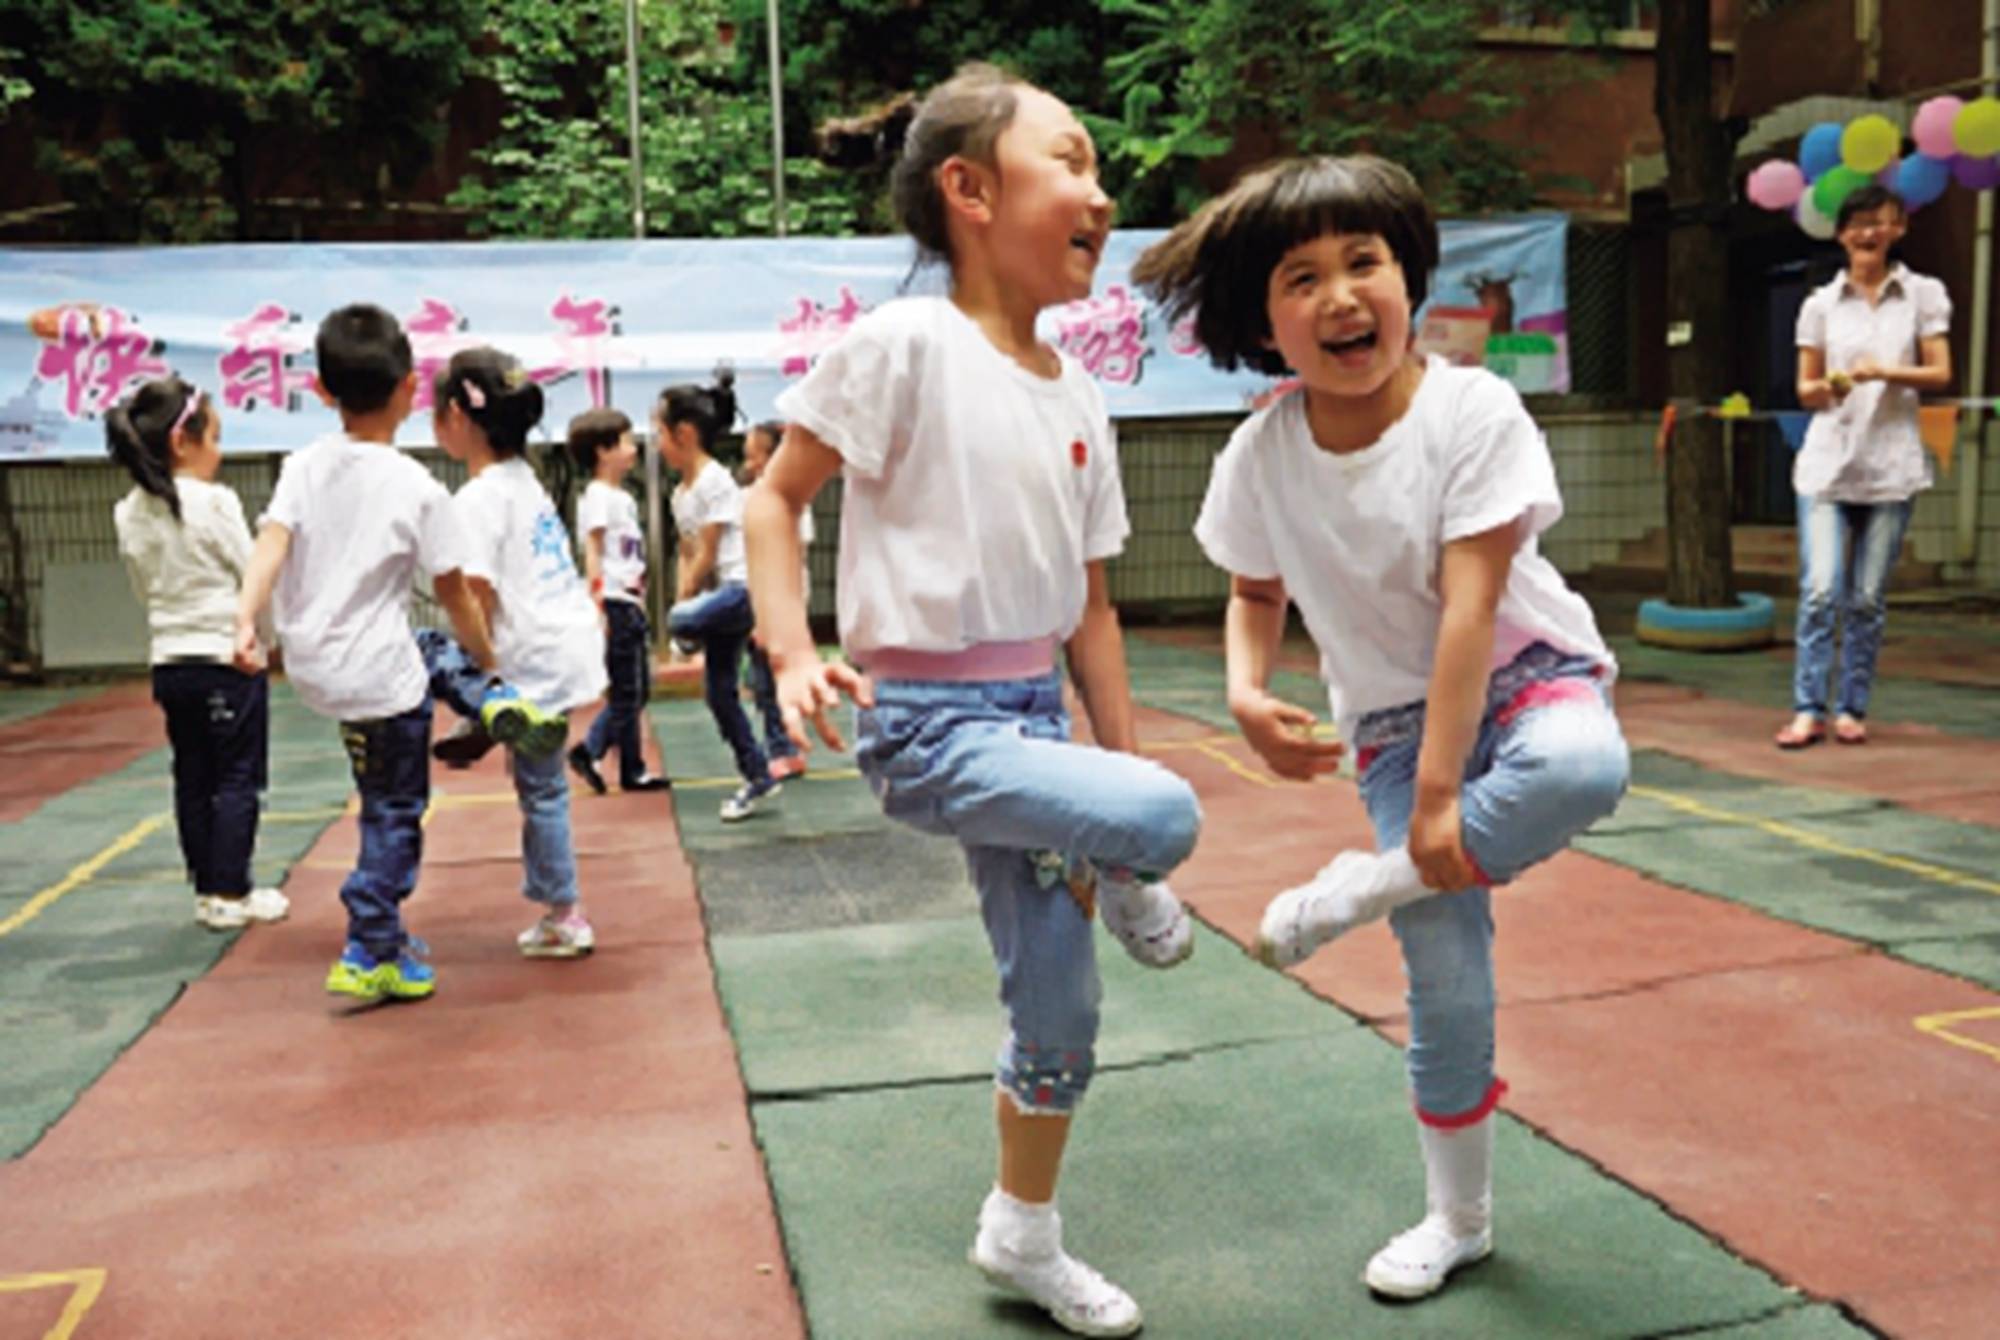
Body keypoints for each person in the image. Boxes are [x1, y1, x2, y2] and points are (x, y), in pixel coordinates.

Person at [745, 63, 1202, 1339]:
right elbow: (773, 498)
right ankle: (1122, 854)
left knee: (1060, 1010)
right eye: (1069, 161)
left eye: (1098, 171)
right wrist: (789, 653)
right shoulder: (903, 343)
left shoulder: (1075, 393)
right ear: (967, 189)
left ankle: (1021, 1232)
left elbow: (1091, 612)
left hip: (1035, 725)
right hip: (931, 729)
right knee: (1161, 819)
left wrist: (1108, 763)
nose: (1099, 194)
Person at [1133, 155, 1629, 1300]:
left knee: (1583, 761)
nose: (1342, 295)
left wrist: (1437, 807)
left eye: (1364, 262)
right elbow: (1252, 591)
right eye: (1301, 278)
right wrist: (1247, 695)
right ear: (1262, 320)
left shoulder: (1471, 408)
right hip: (1393, 728)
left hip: (1518, 672)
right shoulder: (1260, 453)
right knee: (1446, 974)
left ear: (1408, 277)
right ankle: (1459, 1216)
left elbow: (1469, 608)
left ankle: (1359, 888)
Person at [234, 305, 565, 1003]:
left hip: (316, 666)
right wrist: (490, 660)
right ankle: (371, 945)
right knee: (393, 807)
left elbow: (270, 545)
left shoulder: (301, 466)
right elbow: (455, 594)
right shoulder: (418, 487)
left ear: (322, 391)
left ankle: (483, 697)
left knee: (425, 656)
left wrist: (245, 619)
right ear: (411, 388)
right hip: (382, 681)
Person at [426, 348, 609, 958]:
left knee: (542, 789)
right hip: (567, 643)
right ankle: (557, 904)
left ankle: (565, 911)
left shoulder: (476, 500)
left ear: (456, 414)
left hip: (534, 659)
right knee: (542, 780)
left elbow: (474, 595)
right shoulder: (522, 481)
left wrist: (483, 673)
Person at [1776, 184, 1952, 750]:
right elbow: (1805, 388)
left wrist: (1886, 373)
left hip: (1892, 465)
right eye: (1859, 224)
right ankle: (1807, 709)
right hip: (1828, 465)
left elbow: (1941, 373)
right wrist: (1827, 385)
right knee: (1822, 591)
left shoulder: (1923, 295)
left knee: (1868, 598)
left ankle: (1852, 708)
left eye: (1881, 222)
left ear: (1899, 228)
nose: (1869, 233)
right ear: (1842, 234)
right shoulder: (1820, 304)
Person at [108, 377, 287, 932]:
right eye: (214, 436)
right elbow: (250, 573)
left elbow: (142, 587)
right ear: (183, 441)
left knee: (193, 774)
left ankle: (208, 889)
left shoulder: (127, 511)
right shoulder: (214, 502)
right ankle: (231, 890)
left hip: (169, 663)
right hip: (223, 660)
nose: (220, 450)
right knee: (238, 776)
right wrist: (272, 638)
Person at [660, 371, 779, 823]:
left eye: (660, 431)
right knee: (719, 694)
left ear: (684, 434)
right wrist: (681, 604)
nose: (657, 441)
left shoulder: (715, 481)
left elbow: (707, 554)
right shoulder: (679, 493)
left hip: (741, 592)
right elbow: (686, 554)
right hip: (718, 601)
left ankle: (687, 629)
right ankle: (757, 774)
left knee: (682, 622)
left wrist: (680, 619)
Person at [565, 406, 671, 794]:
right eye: (624, 441)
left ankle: (594, 751)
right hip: (614, 600)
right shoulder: (597, 496)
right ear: (602, 451)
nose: (632, 448)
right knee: (628, 690)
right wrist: (597, 605)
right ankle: (627, 766)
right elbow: (592, 550)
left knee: (636, 689)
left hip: (629, 599)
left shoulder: (620, 497)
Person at [738, 419, 809, 781]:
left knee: (772, 680)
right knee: (760, 681)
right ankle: (780, 745)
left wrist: (779, 613)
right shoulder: (754, 496)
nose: (750, 465)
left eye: (757, 457)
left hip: (776, 604)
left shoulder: (790, 499)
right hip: (757, 599)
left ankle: (786, 747)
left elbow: (793, 554)